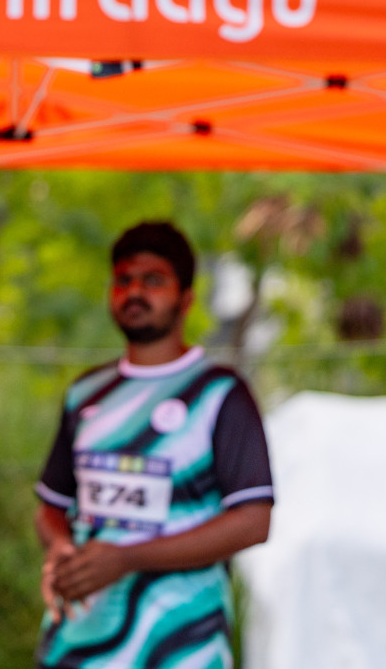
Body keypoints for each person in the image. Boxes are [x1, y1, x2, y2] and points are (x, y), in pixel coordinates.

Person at [34, 222, 274, 669]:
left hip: (182, 644)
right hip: (80, 643)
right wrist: (61, 549)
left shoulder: (221, 393)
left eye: (154, 280)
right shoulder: (85, 393)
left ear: (186, 298)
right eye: (124, 280)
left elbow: (253, 522)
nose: (135, 291)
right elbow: (51, 505)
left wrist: (127, 558)